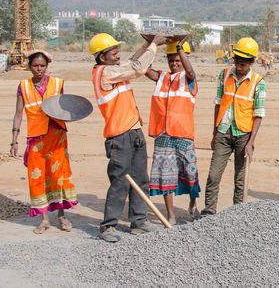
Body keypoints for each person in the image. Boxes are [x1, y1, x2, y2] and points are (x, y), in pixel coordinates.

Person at [89, 32, 174, 242]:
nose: (118, 56)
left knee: (140, 180)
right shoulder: (104, 73)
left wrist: (147, 44)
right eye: (114, 53)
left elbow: (133, 62)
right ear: (102, 58)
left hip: (134, 131)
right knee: (120, 181)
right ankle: (108, 226)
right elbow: (138, 68)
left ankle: (139, 221)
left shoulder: (115, 70)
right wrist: (154, 45)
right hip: (119, 136)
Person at [10, 50, 78, 234]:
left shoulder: (58, 83)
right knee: (37, 178)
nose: (39, 69)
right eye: (35, 66)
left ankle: (62, 216)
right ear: (29, 67)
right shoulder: (23, 86)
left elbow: (65, 108)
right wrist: (14, 140)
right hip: (36, 139)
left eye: (42, 66)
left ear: (47, 66)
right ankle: (44, 219)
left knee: (58, 176)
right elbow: (18, 114)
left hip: (57, 137)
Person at [202, 37, 266, 216]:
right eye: (237, 61)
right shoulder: (224, 75)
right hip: (223, 132)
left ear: (252, 62)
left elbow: (258, 115)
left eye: (244, 64)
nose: (239, 66)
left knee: (240, 179)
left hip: (244, 135)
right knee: (214, 175)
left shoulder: (258, 83)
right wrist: (214, 133)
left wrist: (250, 142)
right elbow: (218, 104)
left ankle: (237, 216)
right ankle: (209, 212)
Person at [143, 40, 200, 224]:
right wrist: (150, 45)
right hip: (163, 135)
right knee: (165, 175)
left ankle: (193, 204)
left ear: (184, 59)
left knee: (190, 173)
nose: (174, 63)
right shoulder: (161, 77)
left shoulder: (189, 80)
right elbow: (144, 69)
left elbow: (190, 71)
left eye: (177, 60)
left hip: (183, 134)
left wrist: (180, 49)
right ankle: (171, 214)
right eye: (171, 60)